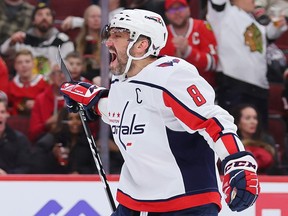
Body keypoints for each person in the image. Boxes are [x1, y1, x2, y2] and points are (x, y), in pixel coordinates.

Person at [60, 9, 260, 215]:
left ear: (141, 45)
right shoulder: (122, 79)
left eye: (117, 36)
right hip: (135, 201)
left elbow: (212, 121)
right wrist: (94, 100)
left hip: (185, 202)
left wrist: (237, 162)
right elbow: (127, 112)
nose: (108, 42)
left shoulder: (171, 77)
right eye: (109, 35)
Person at [207, 0, 287, 128]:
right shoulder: (223, 13)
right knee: (234, 134)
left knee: (259, 136)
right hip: (235, 85)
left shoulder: (253, 20)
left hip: (260, 87)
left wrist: (278, 25)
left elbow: (264, 39)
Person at [0, 2, 74, 77]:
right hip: (27, 83)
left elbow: (70, 63)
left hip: (53, 82)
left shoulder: (63, 40)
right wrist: (11, 41)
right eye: (39, 14)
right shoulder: (23, 38)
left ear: (53, 19)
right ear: (33, 20)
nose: (44, 18)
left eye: (48, 14)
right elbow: (4, 51)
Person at [160, 0, 218, 87]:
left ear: (188, 10)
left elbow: (214, 64)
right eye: (172, 10)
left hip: (207, 88)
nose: (177, 12)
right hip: (174, 90)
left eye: (181, 8)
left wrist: (188, 51)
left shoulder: (202, 27)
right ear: (166, 14)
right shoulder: (162, 35)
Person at [31, 108, 97, 174]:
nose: (75, 122)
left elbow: (94, 168)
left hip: (81, 182)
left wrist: (79, 172)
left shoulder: (88, 143)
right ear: (62, 121)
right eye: (70, 119)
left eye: (78, 119)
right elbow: (38, 167)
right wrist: (53, 156)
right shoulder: (49, 141)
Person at [231, 104, 277, 174]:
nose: (253, 122)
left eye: (255, 118)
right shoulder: (232, 141)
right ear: (238, 122)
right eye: (248, 118)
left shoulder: (267, 141)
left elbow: (274, 167)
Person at [28, 64, 66, 143]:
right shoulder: (41, 99)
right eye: (59, 72)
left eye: (66, 72)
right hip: (46, 142)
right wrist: (47, 124)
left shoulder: (77, 98)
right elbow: (33, 133)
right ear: (51, 76)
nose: (62, 76)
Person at [0, 90, 33, 174]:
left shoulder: (20, 140)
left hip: (11, 184)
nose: (0, 116)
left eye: (2, 112)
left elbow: (26, 168)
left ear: (7, 115)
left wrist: (7, 176)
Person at [8, 49, 48, 116]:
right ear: (15, 66)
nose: (24, 65)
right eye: (19, 62)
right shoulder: (10, 85)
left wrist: (37, 104)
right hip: (16, 122)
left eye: (27, 61)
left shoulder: (45, 83)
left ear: (33, 64)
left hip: (40, 120)